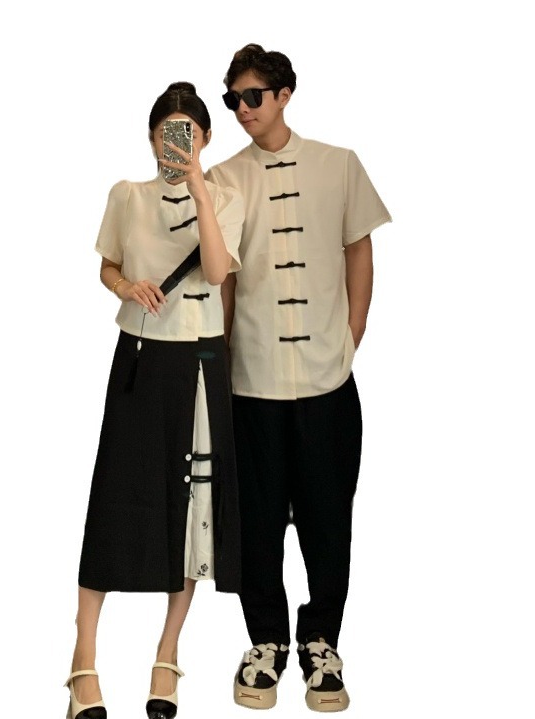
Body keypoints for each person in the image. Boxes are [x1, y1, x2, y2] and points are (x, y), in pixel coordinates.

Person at [205, 45, 392, 712]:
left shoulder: (338, 165)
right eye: (233, 100)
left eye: (252, 97)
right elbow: (221, 277)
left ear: (284, 95)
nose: (242, 110)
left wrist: (353, 330)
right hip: (251, 383)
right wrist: (220, 359)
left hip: (326, 382)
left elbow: (358, 245)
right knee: (254, 523)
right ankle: (265, 643)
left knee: (326, 519)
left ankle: (321, 643)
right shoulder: (224, 178)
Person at [66, 81, 244, 719]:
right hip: (141, 356)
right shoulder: (127, 195)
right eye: (166, 134)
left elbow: (218, 272)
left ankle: (167, 656)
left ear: (205, 139)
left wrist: (198, 185)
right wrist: (125, 286)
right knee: (116, 495)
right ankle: (83, 660)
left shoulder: (225, 198)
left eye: (187, 135)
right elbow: (107, 266)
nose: (175, 145)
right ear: (149, 139)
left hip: (202, 359)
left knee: (192, 504)